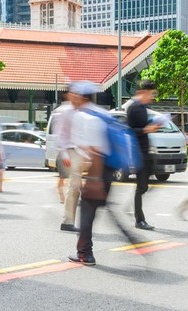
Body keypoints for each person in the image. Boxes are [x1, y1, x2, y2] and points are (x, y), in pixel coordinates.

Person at [67, 82, 112, 266]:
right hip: (109, 170)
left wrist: (93, 180)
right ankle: (85, 251)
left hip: (98, 171)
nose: (70, 97)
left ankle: (86, 254)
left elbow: (95, 151)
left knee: (87, 213)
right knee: (92, 212)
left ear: (81, 96)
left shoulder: (84, 116)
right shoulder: (103, 113)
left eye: (72, 94)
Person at [126, 80, 161, 231]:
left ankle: (134, 209)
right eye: (151, 94)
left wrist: (155, 125)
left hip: (146, 150)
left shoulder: (143, 107)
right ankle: (139, 220)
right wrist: (145, 130)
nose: (152, 97)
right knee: (141, 187)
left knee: (145, 184)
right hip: (137, 151)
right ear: (143, 92)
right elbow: (130, 130)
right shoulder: (133, 107)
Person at [52, 94, 74, 206]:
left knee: (70, 176)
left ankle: (67, 195)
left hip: (73, 150)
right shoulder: (62, 111)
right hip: (65, 150)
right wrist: (64, 153)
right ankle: (61, 195)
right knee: (63, 176)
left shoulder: (75, 110)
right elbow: (59, 134)